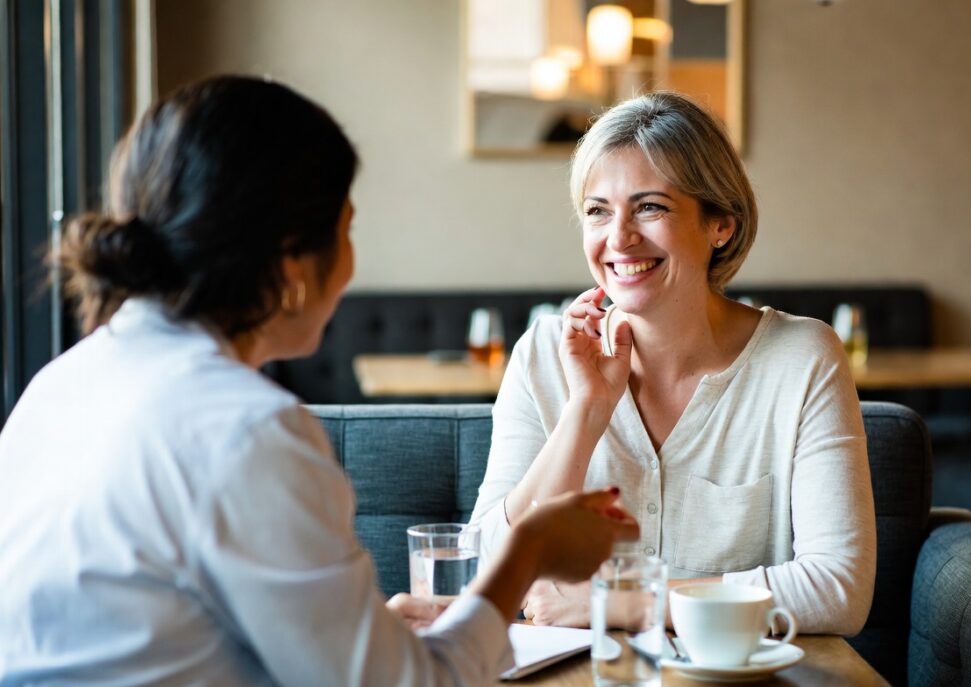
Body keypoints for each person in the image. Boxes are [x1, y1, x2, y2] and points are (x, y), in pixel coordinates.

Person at [0, 76, 640, 686]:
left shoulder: (61, 386)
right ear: (293, 263)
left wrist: (363, 634)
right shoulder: (248, 429)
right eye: (346, 228)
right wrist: (526, 552)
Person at [470, 91, 876, 635]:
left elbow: (839, 590)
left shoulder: (803, 359)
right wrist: (587, 412)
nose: (619, 238)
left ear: (721, 224)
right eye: (598, 211)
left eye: (650, 207)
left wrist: (621, 603)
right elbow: (481, 569)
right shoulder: (543, 354)